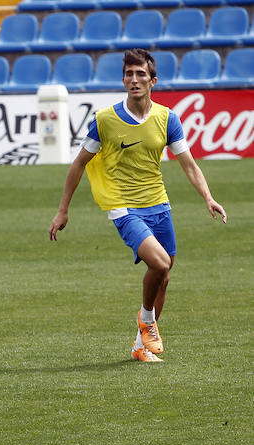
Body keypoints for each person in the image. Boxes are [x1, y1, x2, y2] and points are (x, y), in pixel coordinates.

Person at [48, 48, 227, 363]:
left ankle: (140, 346)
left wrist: (208, 197)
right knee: (159, 264)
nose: (134, 79)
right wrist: (63, 209)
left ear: (152, 80)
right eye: (129, 74)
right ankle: (147, 321)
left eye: (140, 74)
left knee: (165, 276)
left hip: (158, 203)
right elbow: (78, 165)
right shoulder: (105, 120)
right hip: (123, 206)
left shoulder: (167, 118)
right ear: (123, 80)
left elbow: (188, 164)